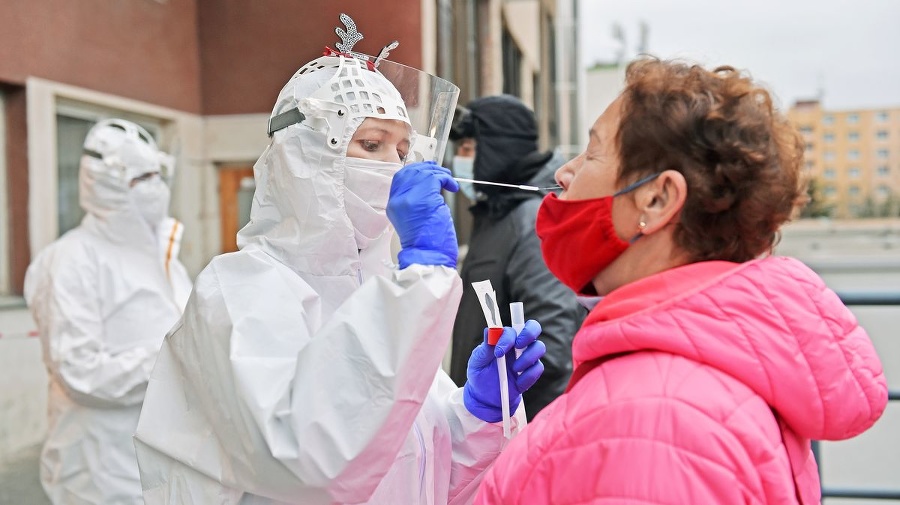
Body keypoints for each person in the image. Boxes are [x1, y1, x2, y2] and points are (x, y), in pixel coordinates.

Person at [132, 22, 546, 505]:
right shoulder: (240, 291)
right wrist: (425, 277)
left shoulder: (381, 291)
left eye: (403, 149)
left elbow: (420, 473)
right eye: (371, 145)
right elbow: (307, 463)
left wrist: (477, 415)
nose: (396, 167)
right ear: (306, 158)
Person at [474, 57, 888, 504]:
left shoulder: (647, 423)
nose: (563, 173)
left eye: (592, 152)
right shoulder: (694, 374)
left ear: (657, 198)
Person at [23, 118, 192, 504]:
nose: (156, 188)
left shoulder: (163, 257)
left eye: (157, 174)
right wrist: (177, 355)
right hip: (100, 471)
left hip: (166, 460)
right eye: (141, 178)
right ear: (107, 185)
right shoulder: (70, 262)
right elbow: (80, 373)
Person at [448, 95, 586, 420]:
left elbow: (551, 346)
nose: (458, 159)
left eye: (468, 148)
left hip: (512, 427)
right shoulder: (496, 212)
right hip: (479, 422)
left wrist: (502, 421)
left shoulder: (533, 219)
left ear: (499, 147)